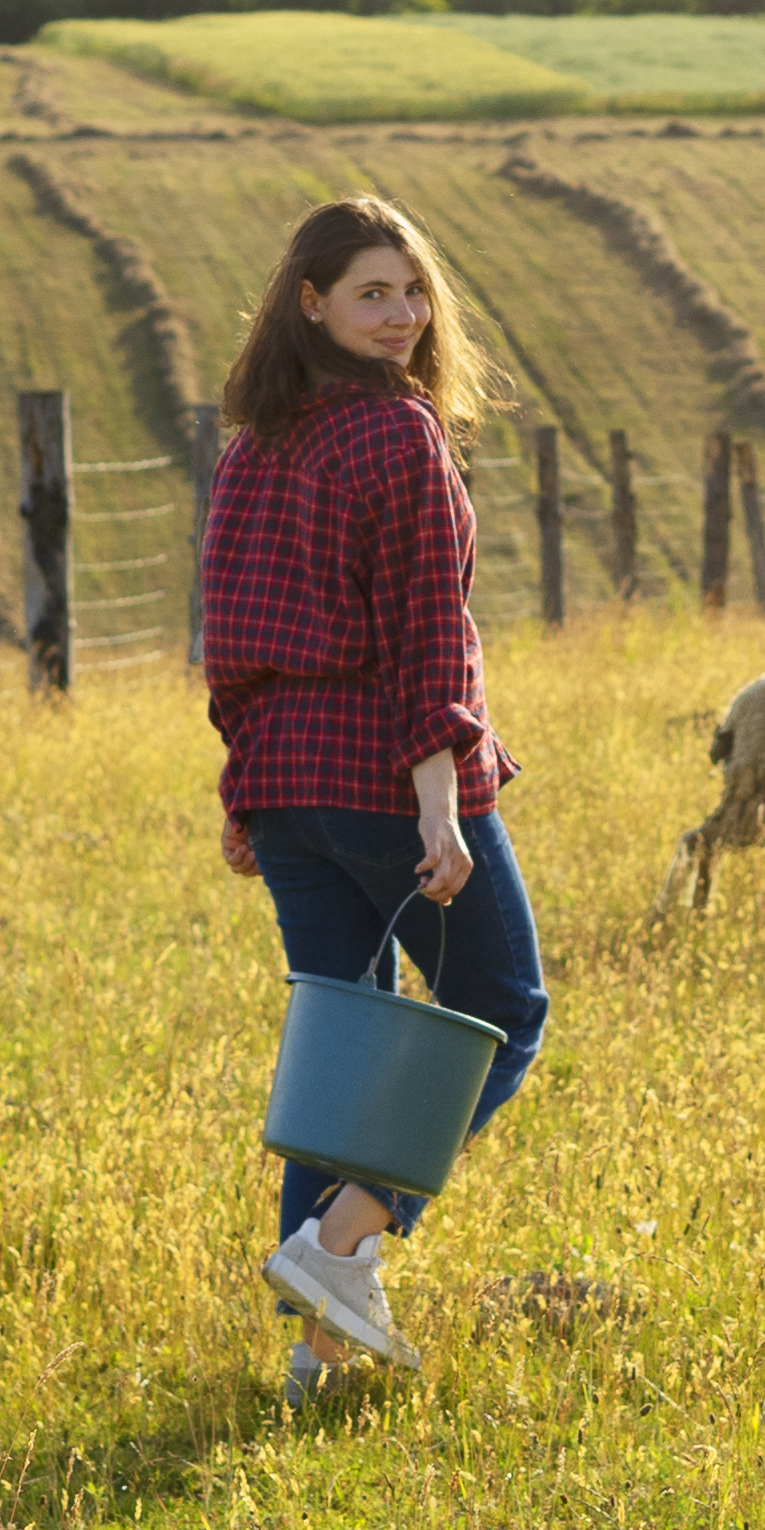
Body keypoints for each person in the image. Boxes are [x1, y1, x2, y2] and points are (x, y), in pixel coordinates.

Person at [198, 192, 548, 1383]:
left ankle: (318, 1354)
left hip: (290, 784)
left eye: (411, 291)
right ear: (312, 302)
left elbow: (231, 639)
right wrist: (442, 804)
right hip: (382, 781)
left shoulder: (255, 444)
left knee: (341, 1053)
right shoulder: (393, 433)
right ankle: (344, 1242)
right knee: (504, 1007)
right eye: (370, 293)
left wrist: (250, 788)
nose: (400, 315)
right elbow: (422, 638)